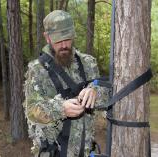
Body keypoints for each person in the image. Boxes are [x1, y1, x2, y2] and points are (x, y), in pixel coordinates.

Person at [23, 10, 108, 157]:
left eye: (67, 39)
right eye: (58, 40)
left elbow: (106, 99)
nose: (63, 45)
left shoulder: (88, 63)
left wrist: (95, 91)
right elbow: (31, 111)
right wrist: (61, 108)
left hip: (85, 151)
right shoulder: (37, 70)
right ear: (47, 38)